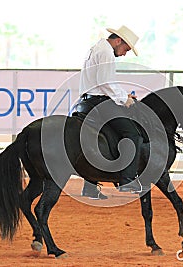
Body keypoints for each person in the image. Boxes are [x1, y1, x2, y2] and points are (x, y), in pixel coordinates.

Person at [79, 25, 143, 199]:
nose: (124, 54)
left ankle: (90, 187)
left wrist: (122, 95)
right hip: (99, 103)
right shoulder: (106, 52)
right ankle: (127, 180)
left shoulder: (96, 48)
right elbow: (105, 82)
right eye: (125, 49)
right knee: (133, 134)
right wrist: (125, 100)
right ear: (118, 41)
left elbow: (103, 82)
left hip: (85, 102)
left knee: (103, 137)